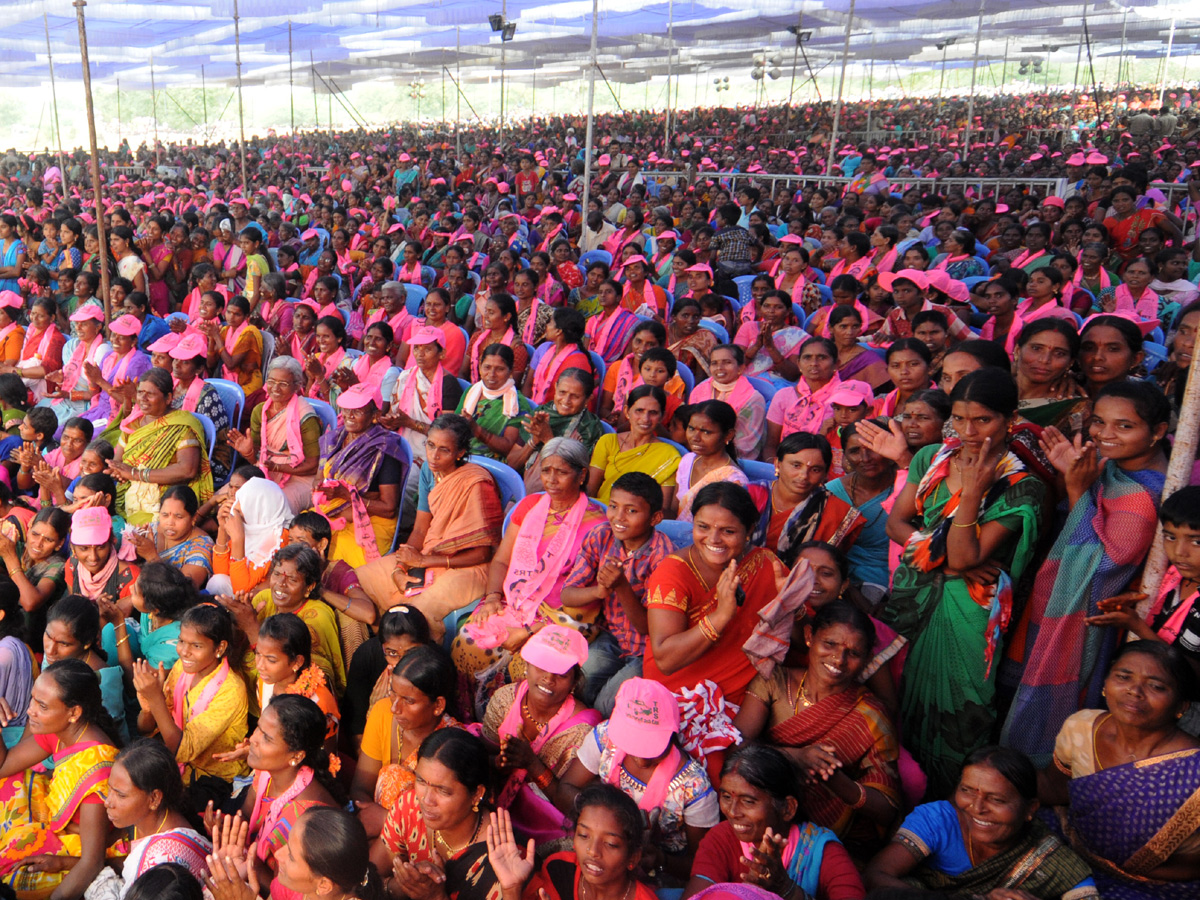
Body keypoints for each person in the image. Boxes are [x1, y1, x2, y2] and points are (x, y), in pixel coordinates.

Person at [881, 370, 1046, 798]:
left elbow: (964, 557)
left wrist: (972, 493)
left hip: (970, 614)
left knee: (963, 712)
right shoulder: (931, 457)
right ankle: (907, 796)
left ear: (1009, 420)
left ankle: (959, 801)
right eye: (959, 419)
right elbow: (896, 524)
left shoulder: (1021, 487)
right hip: (914, 600)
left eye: (984, 421)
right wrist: (949, 562)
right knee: (900, 697)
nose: (969, 433)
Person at [1003, 380, 1170, 765]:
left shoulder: (1143, 496)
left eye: (1124, 426)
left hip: (1088, 621)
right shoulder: (1112, 468)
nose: (1105, 434)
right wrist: (1074, 477)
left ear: (1157, 431)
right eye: (1099, 422)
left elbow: (1100, 568)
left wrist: (1077, 488)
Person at [1037, 641, 1200, 897]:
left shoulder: (1194, 770)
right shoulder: (1081, 726)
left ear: (1181, 706)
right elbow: (1056, 788)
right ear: (1104, 685)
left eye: (1156, 686)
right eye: (1123, 677)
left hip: (1155, 885)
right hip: (1075, 853)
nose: (1135, 691)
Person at [734, 601, 900, 850]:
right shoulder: (774, 681)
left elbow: (888, 809)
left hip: (828, 840)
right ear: (810, 636)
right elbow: (735, 747)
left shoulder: (870, 715)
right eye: (829, 644)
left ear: (866, 659)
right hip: (758, 822)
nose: (839, 659)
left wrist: (835, 780)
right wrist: (795, 757)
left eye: (853, 653)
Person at [452, 439, 607, 679]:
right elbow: (502, 560)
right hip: (516, 600)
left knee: (528, 665)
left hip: (565, 617)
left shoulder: (596, 525)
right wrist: (493, 597)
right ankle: (480, 713)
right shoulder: (530, 506)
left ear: (582, 475)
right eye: (546, 471)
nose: (551, 480)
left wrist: (527, 630)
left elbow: (589, 599)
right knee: (468, 641)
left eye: (562, 472)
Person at [865, 746, 1098, 899]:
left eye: (996, 799)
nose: (976, 808)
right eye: (967, 791)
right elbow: (875, 876)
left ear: (1030, 809)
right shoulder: (939, 821)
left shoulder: (1047, 856)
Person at [558, 678, 718, 879]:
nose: (641, 759)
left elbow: (703, 865)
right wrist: (599, 820)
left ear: (671, 734)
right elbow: (565, 787)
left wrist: (660, 860)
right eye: (633, 745)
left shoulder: (693, 787)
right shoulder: (606, 738)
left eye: (650, 747)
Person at [355, 415, 501, 629]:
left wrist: (424, 562)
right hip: (429, 552)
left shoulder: (475, 483)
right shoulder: (428, 471)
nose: (434, 456)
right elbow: (421, 529)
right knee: (356, 581)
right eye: (430, 445)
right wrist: (400, 568)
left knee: (414, 616)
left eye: (445, 450)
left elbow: (482, 554)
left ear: (460, 453)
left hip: (468, 567)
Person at [0, 659, 119, 899]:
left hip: (78, 851)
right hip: (56, 821)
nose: (30, 710)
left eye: (42, 706)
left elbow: (91, 862)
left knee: (12, 873)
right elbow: (4, 766)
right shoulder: (60, 730)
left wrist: (59, 867)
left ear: (74, 712)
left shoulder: (97, 770)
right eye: (33, 698)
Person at [684, 745, 864, 900]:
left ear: (788, 808)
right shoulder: (721, 838)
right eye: (726, 797)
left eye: (748, 801)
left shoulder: (822, 851)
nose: (732, 812)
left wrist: (786, 889)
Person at [478, 626, 601, 839]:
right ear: (527, 666)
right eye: (541, 667)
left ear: (573, 682)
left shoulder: (583, 730)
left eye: (561, 674)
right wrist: (499, 763)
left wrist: (532, 764)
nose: (548, 679)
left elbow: (572, 806)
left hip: (546, 819)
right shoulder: (505, 700)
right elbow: (480, 755)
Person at [216, 693, 341, 896]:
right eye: (258, 728)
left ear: (296, 755)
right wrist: (225, 829)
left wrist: (247, 859)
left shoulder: (305, 816)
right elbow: (245, 815)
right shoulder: (267, 772)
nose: (253, 739)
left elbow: (283, 888)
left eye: (266, 738)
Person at [132, 602, 248, 810]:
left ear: (219, 648)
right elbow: (146, 728)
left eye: (196, 646)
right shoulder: (182, 668)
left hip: (214, 779)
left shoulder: (232, 690)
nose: (184, 652)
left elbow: (182, 750)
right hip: (179, 766)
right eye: (181, 641)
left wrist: (156, 698)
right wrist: (149, 705)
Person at [372, 729, 503, 900]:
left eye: (442, 791)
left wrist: (435, 896)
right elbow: (365, 879)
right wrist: (401, 886)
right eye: (421, 781)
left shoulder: (499, 855)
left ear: (477, 794)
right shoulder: (410, 807)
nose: (426, 799)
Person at [352, 644, 459, 837]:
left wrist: (388, 820)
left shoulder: (453, 745)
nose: (395, 708)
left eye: (409, 701)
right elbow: (361, 787)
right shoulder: (382, 712)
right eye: (393, 693)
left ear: (438, 705)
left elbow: (449, 827)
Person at [485, 787, 656, 900]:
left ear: (633, 858)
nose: (592, 851)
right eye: (583, 835)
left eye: (610, 844)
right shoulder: (560, 869)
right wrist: (512, 889)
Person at [312, 383, 404, 567]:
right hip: (334, 510)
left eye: (358, 411)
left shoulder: (383, 450)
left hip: (371, 520)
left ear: (375, 416)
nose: (349, 416)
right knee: (303, 533)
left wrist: (347, 496)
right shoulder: (337, 438)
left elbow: (389, 508)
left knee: (337, 553)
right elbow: (319, 474)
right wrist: (319, 485)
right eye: (346, 409)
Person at [105, 739, 212, 896]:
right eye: (109, 790)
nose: (108, 802)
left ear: (154, 799)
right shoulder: (146, 819)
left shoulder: (161, 870)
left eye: (120, 795)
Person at [107, 368, 213, 526]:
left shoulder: (182, 425)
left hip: (165, 500)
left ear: (168, 398)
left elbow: (187, 470)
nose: (142, 399)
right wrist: (116, 471)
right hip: (128, 490)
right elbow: (118, 461)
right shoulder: (133, 422)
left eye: (150, 394)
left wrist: (136, 474)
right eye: (140, 392)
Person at [205, 806, 382, 900]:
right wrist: (234, 876)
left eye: (291, 856)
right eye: (287, 845)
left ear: (324, 885)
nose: (278, 855)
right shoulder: (293, 886)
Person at [750, 432, 864, 568]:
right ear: (777, 464)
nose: (804, 476)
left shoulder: (835, 513)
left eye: (815, 470)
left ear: (825, 474)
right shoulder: (749, 495)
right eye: (796, 465)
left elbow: (827, 566)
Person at [229, 357, 321, 515]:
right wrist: (249, 454)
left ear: (297, 386)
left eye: (283, 384)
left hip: (299, 477)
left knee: (274, 509)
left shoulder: (306, 417)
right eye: (271, 381)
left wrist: (278, 467)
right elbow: (259, 462)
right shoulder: (260, 411)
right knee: (229, 500)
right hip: (267, 471)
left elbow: (313, 464)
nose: (275, 388)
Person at [510, 368, 604, 494]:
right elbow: (511, 464)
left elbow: (580, 480)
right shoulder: (540, 415)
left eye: (575, 396)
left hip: (561, 496)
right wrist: (535, 440)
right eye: (562, 392)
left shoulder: (589, 429)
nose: (566, 401)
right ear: (555, 388)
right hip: (522, 488)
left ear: (588, 399)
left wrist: (547, 438)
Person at [588, 385, 681, 506]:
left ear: (661, 417)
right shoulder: (608, 442)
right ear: (627, 411)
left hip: (639, 521)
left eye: (653, 413)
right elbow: (590, 490)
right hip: (599, 513)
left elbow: (662, 508)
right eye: (639, 411)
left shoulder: (669, 456)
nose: (645, 419)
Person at [125, 485, 214, 590]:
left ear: (193, 519)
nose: (170, 523)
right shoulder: (152, 530)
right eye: (165, 515)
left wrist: (152, 557)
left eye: (179, 517)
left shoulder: (202, 545)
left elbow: (183, 591)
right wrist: (136, 550)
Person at [0, 505, 69, 641]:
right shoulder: (19, 549)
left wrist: (10, 558)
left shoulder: (57, 565)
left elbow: (30, 602)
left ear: (59, 544)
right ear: (29, 528)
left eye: (48, 540)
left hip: (31, 638)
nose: (38, 544)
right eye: (35, 534)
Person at [672, 401, 749, 522]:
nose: (695, 438)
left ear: (728, 435)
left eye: (706, 432)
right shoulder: (687, 460)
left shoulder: (734, 480)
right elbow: (673, 511)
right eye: (691, 429)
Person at [764, 338, 842, 456]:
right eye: (807, 357)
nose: (814, 363)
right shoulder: (784, 396)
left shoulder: (844, 399)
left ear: (836, 364)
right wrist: (776, 470)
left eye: (822, 357)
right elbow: (771, 445)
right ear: (799, 364)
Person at [689, 345, 767, 461]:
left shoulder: (753, 399)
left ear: (740, 368)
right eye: (714, 363)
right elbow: (691, 428)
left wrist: (712, 453)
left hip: (733, 459)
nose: (719, 368)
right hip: (697, 452)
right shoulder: (699, 390)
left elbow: (746, 444)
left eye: (727, 362)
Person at [458, 343, 534, 460]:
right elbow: (454, 426)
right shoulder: (472, 391)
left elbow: (508, 448)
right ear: (480, 367)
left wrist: (476, 429)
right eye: (487, 367)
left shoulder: (517, 404)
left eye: (500, 369)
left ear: (510, 371)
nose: (492, 375)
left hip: (493, 463)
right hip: (462, 455)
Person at [1015, 318, 1089, 436]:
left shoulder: (1076, 410)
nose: (1044, 360)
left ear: (1070, 362)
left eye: (1059, 353)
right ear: (1017, 350)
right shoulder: (988, 386)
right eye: (1036, 348)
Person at [733, 291, 805, 382]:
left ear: (788, 311)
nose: (771, 311)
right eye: (766, 306)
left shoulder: (797, 335)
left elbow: (792, 375)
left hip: (778, 383)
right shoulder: (748, 327)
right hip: (744, 380)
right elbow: (735, 365)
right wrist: (756, 346)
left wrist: (770, 347)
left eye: (778, 307)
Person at [583, 279, 638, 364]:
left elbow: (627, 357)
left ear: (618, 298)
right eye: (600, 292)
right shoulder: (593, 321)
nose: (603, 295)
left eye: (608, 292)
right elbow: (585, 350)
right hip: (591, 365)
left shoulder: (629, 321)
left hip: (615, 367)